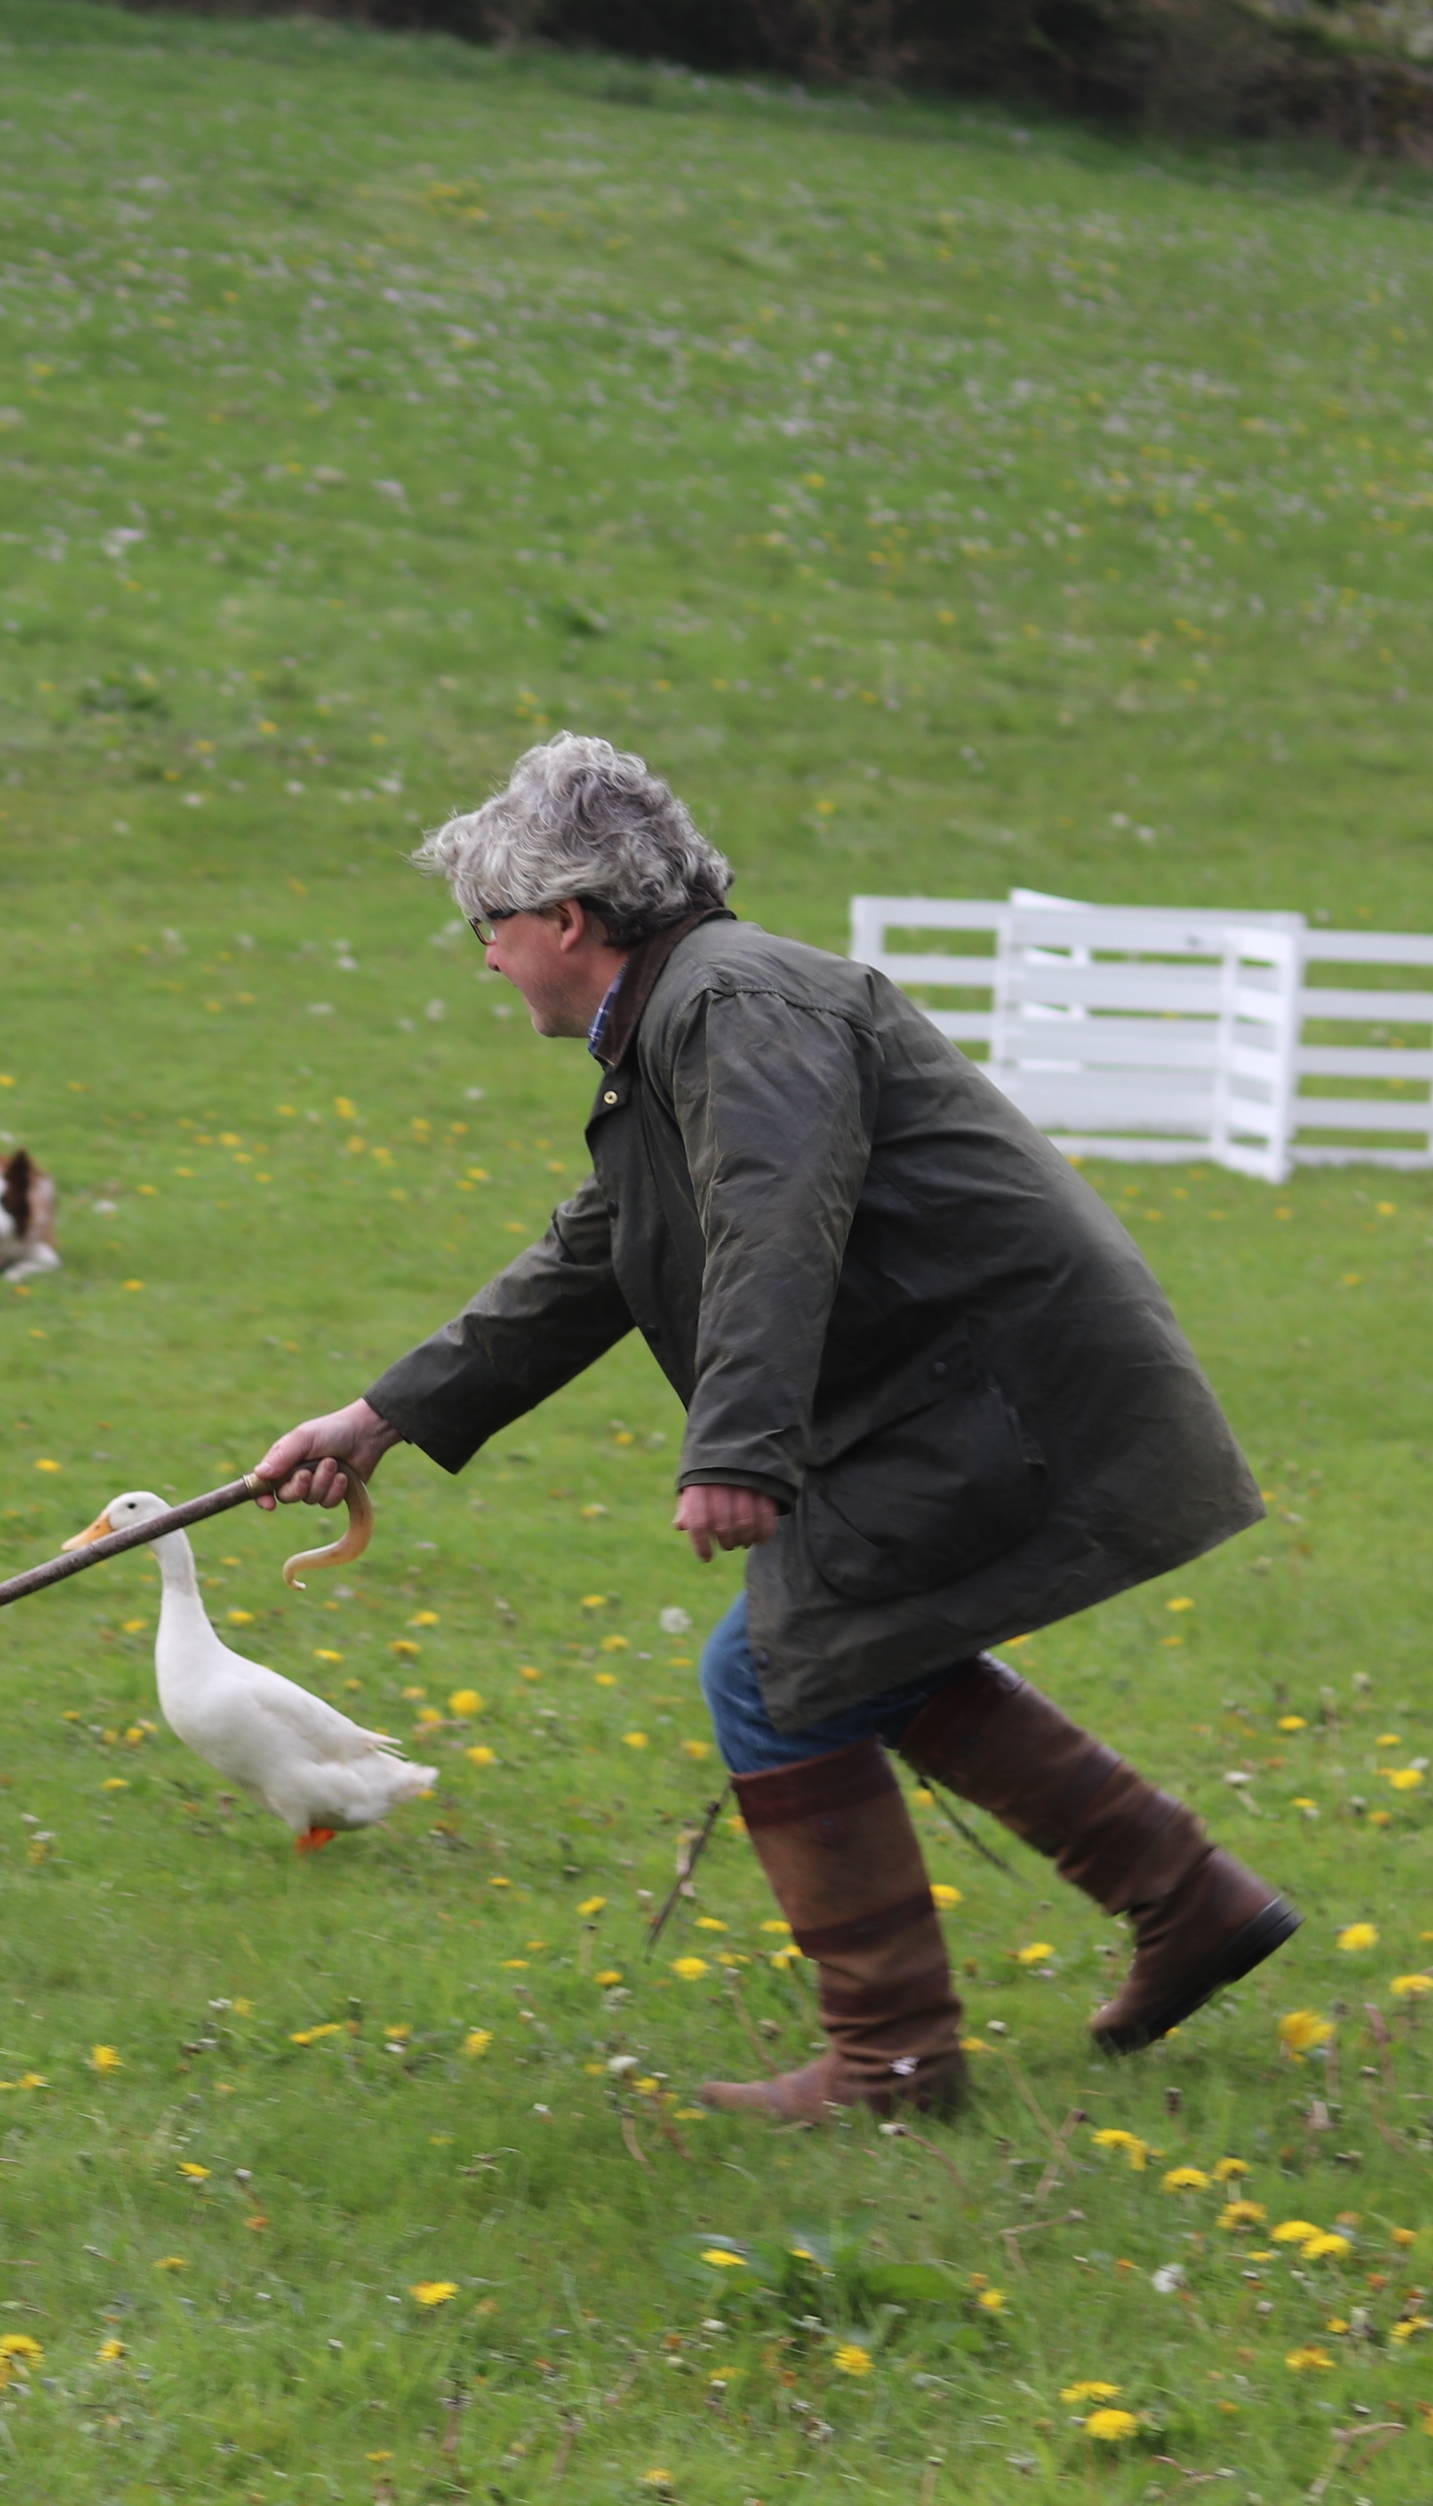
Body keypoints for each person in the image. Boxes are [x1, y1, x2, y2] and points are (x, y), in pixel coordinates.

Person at [253, 734, 1291, 2123]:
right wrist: (380, 1419)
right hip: (962, 1383)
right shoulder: (687, 1020)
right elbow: (593, 1259)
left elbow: (772, 1222)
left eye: (488, 929)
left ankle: (893, 2064)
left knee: (774, 1670)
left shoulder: (736, 1008)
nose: (486, 960)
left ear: (566, 919)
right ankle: (1189, 1903)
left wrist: (739, 1452)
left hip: (995, 1384)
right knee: (848, 1652)